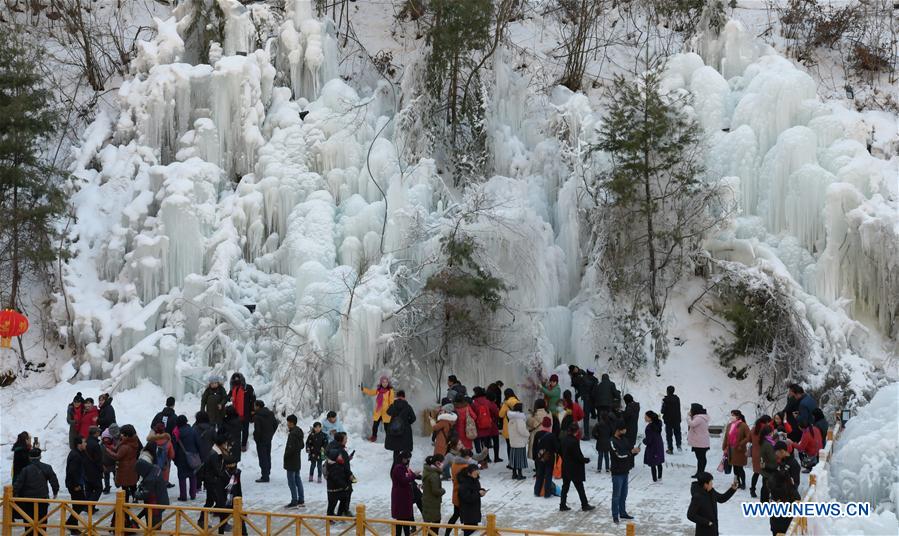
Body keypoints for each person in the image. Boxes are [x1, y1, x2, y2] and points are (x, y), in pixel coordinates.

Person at [14, 448, 59, 535]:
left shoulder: (25, 470)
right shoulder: (47, 467)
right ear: (40, 456)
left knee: (28, 522)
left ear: (29, 457)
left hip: (28, 500)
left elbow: (18, 484)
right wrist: (55, 491)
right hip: (42, 499)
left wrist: (14, 495)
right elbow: (54, 480)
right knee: (42, 521)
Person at [686, 472, 738, 536]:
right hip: (703, 531)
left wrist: (732, 489)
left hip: (713, 529)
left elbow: (721, 499)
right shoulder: (697, 497)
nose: (712, 484)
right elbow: (690, 515)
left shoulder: (711, 491)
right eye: (711, 482)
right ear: (705, 484)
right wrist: (707, 522)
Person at [197, 434, 230, 531]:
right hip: (213, 483)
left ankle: (201, 521)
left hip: (211, 482)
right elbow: (218, 471)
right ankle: (223, 525)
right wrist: (227, 475)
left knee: (209, 502)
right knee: (221, 503)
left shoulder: (215, 452)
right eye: (225, 443)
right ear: (221, 444)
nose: (226, 445)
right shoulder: (214, 455)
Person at [557, 422, 593, 511]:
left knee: (565, 487)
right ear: (576, 431)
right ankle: (584, 504)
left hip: (565, 466)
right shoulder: (574, 441)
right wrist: (585, 460)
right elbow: (578, 456)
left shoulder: (563, 439)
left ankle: (562, 504)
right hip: (574, 468)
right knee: (580, 487)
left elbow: (559, 451)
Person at [768, 442, 801, 535]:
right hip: (776, 502)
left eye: (776, 452)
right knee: (775, 528)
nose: (775, 455)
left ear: (782, 451)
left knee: (783, 529)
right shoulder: (780, 462)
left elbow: (794, 485)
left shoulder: (793, 464)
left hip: (786, 504)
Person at [610, 421, 639, 524]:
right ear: (618, 430)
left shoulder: (624, 439)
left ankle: (622, 512)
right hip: (617, 472)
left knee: (623, 494)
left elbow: (629, 451)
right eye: (623, 430)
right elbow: (619, 455)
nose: (625, 431)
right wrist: (630, 452)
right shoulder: (612, 441)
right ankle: (615, 515)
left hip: (625, 471)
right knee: (616, 495)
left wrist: (634, 451)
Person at [444, 448, 475, 536]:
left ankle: (447, 533)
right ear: (466, 457)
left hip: (456, 493)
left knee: (455, 515)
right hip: (463, 495)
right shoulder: (465, 467)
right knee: (466, 517)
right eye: (469, 457)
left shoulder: (454, 464)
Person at [106, 424, 141, 502]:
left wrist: (107, 451)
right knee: (133, 485)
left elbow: (117, 456)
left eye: (122, 434)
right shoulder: (133, 442)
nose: (120, 435)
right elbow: (118, 448)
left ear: (127, 435)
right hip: (132, 467)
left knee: (125, 488)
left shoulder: (125, 446)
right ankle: (135, 499)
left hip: (124, 469)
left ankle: (125, 503)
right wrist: (111, 447)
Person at [65, 438, 92, 534]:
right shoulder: (75, 456)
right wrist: (76, 485)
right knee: (79, 505)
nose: (86, 444)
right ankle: (71, 525)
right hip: (75, 485)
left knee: (78, 505)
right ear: (79, 444)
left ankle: (72, 524)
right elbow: (73, 471)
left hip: (76, 483)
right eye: (84, 442)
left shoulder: (78, 453)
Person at [135, 453, 170, 529]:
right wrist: (142, 484)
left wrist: (137, 494)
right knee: (157, 522)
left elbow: (145, 495)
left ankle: (154, 532)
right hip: (161, 499)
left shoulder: (150, 479)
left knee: (153, 526)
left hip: (154, 505)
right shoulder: (155, 468)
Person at [173, 415, 202, 501]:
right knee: (193, 476)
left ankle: (183, 496)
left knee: (182, 477)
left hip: (181, 458)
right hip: (192, 457)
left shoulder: (177, 433)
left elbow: (174, 447)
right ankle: (193, 494)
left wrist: (175, 459)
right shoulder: (193, 430)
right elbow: (198, 443)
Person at [325, 432, 354, 516]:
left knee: (333, 502)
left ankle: (336, 516)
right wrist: (349, 476)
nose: (347, 440)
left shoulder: (331, 448)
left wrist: (347, 459)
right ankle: (339, 515)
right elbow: (344, 467)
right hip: (340, 480)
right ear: (341, 440)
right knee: (344, 497)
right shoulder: (340, 452)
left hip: (333, 481)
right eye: (345, 439)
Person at [391, 451, 419, 536]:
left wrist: (415, 476)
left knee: (404, 519)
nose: (408, 461)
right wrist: (414, 475)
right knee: (402, 520)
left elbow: (409, 477)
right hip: (401, 498)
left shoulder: (403, 467)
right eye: (407, 459)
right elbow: (404, 480)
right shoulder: (398, 468)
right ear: (403, 459)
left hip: (404, 497)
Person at [228, 372, 256, 452]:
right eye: (235, 379)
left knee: (245, 430)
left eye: (238, 379)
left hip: (246, 413)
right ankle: (236, 444)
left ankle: (243, 445)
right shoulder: (233, 388)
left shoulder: (248, 387)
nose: (236, 380)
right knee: (236, 430)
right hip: (235, 414)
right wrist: (230, 398)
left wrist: (252, 410)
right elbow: (228, 396)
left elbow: (253, 399)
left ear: (242, 379)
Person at [722, 410, 751, 489]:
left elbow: (748, 437)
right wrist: (724, 446)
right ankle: (737, 482)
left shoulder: (743, 425)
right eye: (731, 415)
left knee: (740, 468)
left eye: (733, 415)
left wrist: (741, 444)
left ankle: (743, 483)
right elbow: (726, 436)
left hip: (739, 450)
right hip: (731, 449)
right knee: (735, 468)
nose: (731, 417)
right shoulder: (729, 425)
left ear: (738, 416)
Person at [252, 400, 279, 483]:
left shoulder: (257, 417)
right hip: (268, 438)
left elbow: (257, 430)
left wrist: (256, 438)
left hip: (261, 440)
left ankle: (265, 476)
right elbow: (275, 424)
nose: (254, 407)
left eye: (255, 406)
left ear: (258, 406)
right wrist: (271, 433)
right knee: (267, 456)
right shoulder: (270, 414)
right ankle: (267, 472)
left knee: (262, 458)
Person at [386, 390, 417, 463]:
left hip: (395, 431)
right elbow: (413, 418)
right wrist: (407, 423)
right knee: (406, 450)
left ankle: (395, 465)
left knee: (396, 450)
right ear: (404, 397)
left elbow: (388, 412)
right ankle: (404, 465)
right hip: (405, 432)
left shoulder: (393, 405)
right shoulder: (408, 407)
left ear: (397, 397)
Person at [362, 375, 395, 442]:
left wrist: (391, 407)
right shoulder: (379, 390)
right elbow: (371, 392)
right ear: (381, 383)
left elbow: (391, 401)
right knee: (375, 425)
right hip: (379, 411)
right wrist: (363, 389)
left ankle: (389, 439)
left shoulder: (390, 391)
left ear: (388, 383)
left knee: (386, 427)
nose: (385, 383)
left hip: (386, 412)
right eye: (383, 382)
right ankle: (373, 437)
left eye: (386, 382)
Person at [471, 387, 499, 461]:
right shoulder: (487, 402)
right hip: (488, 425)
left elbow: (472, 414)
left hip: (478, 426)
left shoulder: (474, 403)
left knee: (479, 443)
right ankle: (488, 458)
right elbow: (495, 413)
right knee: (486, 443)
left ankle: (483, 459)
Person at [457, 465, 486, 536]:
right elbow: (467, 497)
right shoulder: (464, 482)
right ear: (469, 473)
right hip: (468, 512)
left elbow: (475, 490)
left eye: (477, 471)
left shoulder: (475, 480)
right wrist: (478, 494)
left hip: (475, 510)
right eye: (475, 472)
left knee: (474, 532)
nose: (477, 473)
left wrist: (482, 490)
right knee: (469, 532)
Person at [284, 414, 306, 507]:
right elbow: (302, 445)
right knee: (297, 479)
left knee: (291, 482)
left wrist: (286, 456)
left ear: (291, 423)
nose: (287, 424)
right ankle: (301, 499)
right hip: (297, 459)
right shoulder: (299, 432)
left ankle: (294, 500)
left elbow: (290, 448)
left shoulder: (292, 434)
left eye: (288, 422)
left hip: (291, 461)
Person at [533, 417, 558, 498]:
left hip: (539, 457)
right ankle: (547, 493)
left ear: (542, 425)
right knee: (548, 475)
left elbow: (534, 446)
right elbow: (556, 448)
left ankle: (537, 491)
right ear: (550, 425)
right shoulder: (552, 436)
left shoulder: (537, 434)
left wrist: (534, 457)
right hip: (549, 457)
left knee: (539, 474)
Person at [749, 415, 772, 498]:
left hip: (755, 453)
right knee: (765, 474)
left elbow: (749, 439)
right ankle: (766, 491)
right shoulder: (766, 429)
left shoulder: (753, 429)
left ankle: (752, 490)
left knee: (756, 473)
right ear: (767, 422)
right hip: (764, 454)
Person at [421, 455, 445, 526]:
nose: (443, 464)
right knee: (435, 524)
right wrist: (443, 490)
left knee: (428, 524)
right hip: (432, 503)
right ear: (437, 463)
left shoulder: (427, 471)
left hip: (427, 501)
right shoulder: (434, 475)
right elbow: (436, 491)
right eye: (442, 462)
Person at [506, 403, 529, 480]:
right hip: (520, 442)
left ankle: (514, 474)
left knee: (514, 459)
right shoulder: (519, 419)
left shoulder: (511, 419)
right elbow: (522, 431)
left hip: (513, 442)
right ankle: (520, 475)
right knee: (519, 459)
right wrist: (528, 433)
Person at [688, 403, 711, 478]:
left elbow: (692, 424)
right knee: (701, 458)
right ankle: (700, 472)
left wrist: (688, 417)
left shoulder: (699, 418)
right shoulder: (701, 416)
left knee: (701, 458)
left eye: (691, 409)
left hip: (700, 442)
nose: (690, 410)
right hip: (700, 441)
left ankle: (700, 473)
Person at [498, 389, 520, 463]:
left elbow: (500, 415)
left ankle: (511, 462)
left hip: (509, 428)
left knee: (509, 446)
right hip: (517, 427)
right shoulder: (518, 401)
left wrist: (502, 407)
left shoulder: (506, 403)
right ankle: (517, 462)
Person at [642, 411, 665, 482]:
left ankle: (654, 479)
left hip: (652, 446)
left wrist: (644, 441)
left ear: (650, 418)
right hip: (659, 444)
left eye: (646, 417)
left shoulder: (649, 428)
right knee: (659, 461)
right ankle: (660, 477)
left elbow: (648, 440)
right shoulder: (658, 423)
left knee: (653, 463)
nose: (644, 418)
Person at [758, 423, 778, 503]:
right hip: (769, 468)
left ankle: (763, 501)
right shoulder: (768, 444)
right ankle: (764, 502)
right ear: (769, 433)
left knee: (765, 486)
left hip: (765, 467)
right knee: (766, 487)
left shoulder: (765, 441)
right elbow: (772, 458)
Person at [83, 427, 104, 500]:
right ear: (96, 433)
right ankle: (90, 505)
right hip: (94, 471)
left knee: (88, 490)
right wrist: (101, 470)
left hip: (86, 470)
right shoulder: (95, 445)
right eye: (98, 432)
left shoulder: (85, 442)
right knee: (99, 489)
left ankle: (87, 505)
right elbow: (98, 460)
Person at [661, 385, 682, 454]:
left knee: (669, 435)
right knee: (677, 433)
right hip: (676, 419)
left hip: (668, 420)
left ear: (667, 391)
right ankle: (678, 445)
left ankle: (670, 449)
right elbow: (678, 409)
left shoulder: (665, 400)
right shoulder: (677, 399)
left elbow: (662, 411)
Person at [579, 369, 598, 439]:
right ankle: (595, 432)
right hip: (593, 400)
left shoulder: (583, 379)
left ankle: (586, 435)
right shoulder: (595, 380)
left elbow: (581, 389)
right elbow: (595, 391)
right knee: (594, 415)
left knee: (586, 418)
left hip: (586, 400)